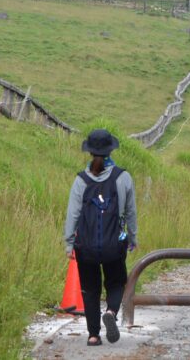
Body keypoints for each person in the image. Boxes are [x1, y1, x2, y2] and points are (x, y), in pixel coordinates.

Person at [63, 129, 138, 347]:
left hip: (85, 246)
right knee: (116, 282)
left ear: (89, 152)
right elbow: (130, 212)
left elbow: (73, 214)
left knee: (89, 289)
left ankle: (93, 335)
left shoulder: (81, 180)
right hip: (114, 244)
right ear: (110, 150)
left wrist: (69, 243)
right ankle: (111, 311)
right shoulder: (123, 177)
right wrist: (132, 237)